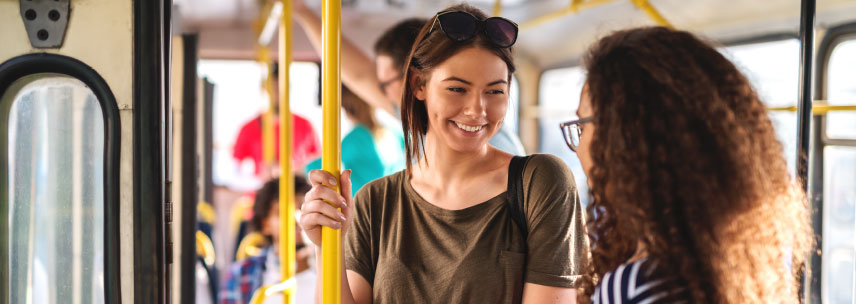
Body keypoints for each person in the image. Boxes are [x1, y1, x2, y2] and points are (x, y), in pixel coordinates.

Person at [300, 4, 589, 303]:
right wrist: (328, 248)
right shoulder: (375, 202)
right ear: (418, 85)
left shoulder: (539, 183)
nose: (477, 110)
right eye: (457, 89)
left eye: (494, 91)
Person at [564, 27, 812, 303]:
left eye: (583, 125)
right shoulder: (745, 270)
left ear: (627, 140)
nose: (578, 147)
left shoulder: (635, 285)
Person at [293, 0, 526, 155]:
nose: (381, 93)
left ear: (416, 80)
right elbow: (359, 74)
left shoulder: (485, 146)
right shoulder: (427, 125)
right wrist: (302, 12)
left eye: (385, 84)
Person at [220, 177, 316, 304]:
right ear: (265, 224)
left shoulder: (335, 272)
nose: (296, 219)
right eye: (282, 213)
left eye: (303, 210)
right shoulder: (242, 274)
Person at [305, 86, 406, 195]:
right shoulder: (393, 133)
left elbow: (317, 165)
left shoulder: (356, 137)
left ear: (348, 109)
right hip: (393, 198)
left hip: (365, 203)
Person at [233, 62, 320, 179]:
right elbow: (237, 167)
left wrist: (298, 170)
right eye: (273, 89)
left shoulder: (305, 125)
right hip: (262, 191)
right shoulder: (249, 128)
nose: (277, 94)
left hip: (295, 191)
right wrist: (258, 173)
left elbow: (317, 159)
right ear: (265, 91)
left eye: (281, 89)